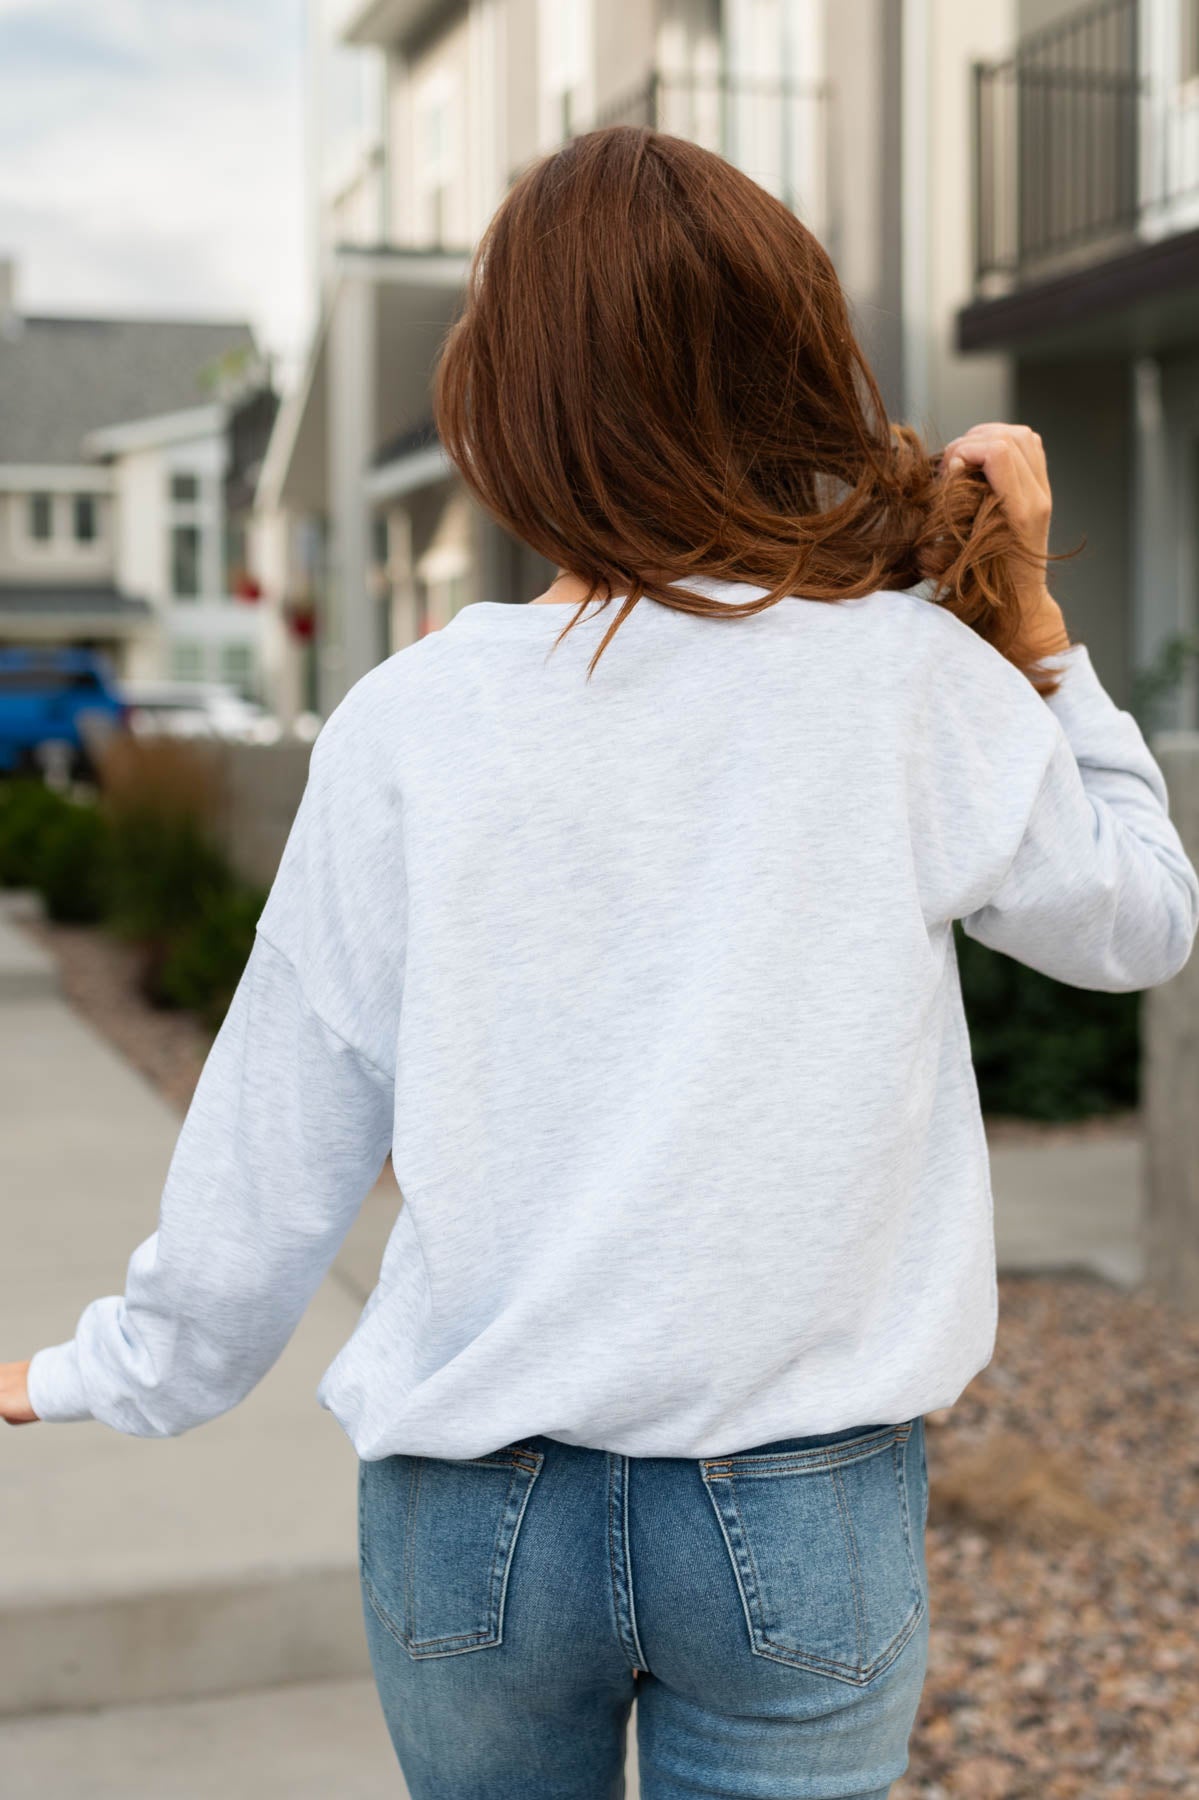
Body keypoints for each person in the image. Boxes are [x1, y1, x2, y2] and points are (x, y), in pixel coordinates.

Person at [4, 126, 1197, 1799]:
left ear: (507, 398)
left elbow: (289, 1116)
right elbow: (1143, 921)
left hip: (470, 1516)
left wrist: (110, 1372)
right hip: (801, 1511)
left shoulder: (415, 719)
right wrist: (1043, 647)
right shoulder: (909, 684)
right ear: (792, 372)